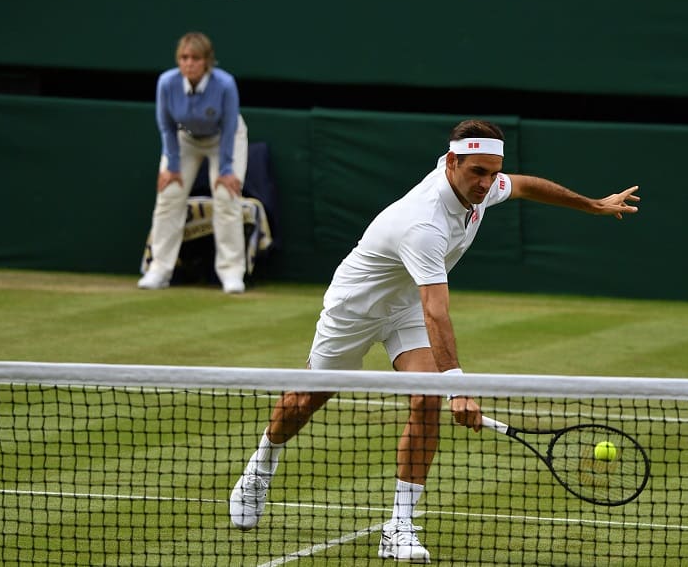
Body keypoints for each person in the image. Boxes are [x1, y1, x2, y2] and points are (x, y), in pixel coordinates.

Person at [228, 119, 640, 562]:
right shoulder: (424, 222)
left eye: (491, 171)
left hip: (405, 305)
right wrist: (460, 388)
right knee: (306, 401)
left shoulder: (484, 184)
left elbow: (523, 186)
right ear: (451, 162)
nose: (486, 183)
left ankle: (398, 527)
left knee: (426, 397)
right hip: (356, 306)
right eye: (476, 172)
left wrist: (592, 205)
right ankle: (261, 466)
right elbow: (437, 311)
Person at [138, 31, 250, 293]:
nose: (189, 63)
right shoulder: (167, 83)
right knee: (169, 194)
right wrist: (173, 166)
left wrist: (225, 169)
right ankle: (159, 270)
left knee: (226, 196)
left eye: (195, 58)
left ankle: (232, 273)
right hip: (184, 139)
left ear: (207, 61)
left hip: (226, 137)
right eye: (184, 57)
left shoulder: (224, 84)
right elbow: (166, 126)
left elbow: (230, 123)